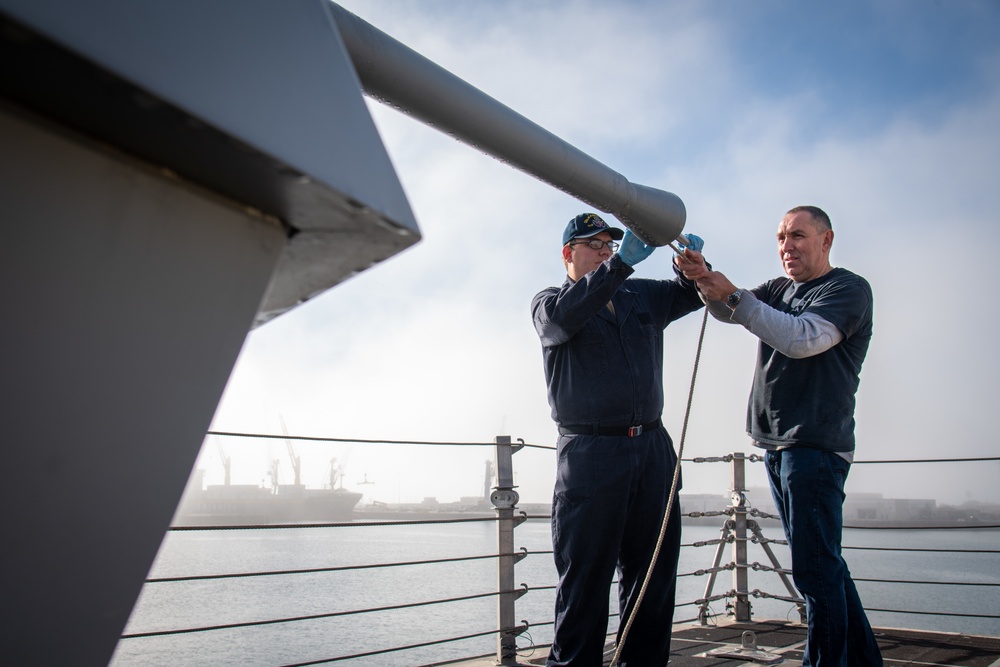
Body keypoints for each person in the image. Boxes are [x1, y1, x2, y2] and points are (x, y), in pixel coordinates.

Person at [677, 205, 883, 666]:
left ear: (826, 240)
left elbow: (802, 338)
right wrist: (702, 276)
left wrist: (732, 295)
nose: (787, 246)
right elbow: (726, 310)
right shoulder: (776, 289)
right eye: (781, 237)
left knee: (815, 570)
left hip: (815, 446)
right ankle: (864, 661)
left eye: (798, 236)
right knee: (824, 564)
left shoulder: (847, 289)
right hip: (778, 445)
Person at [531, 212, 705, 666]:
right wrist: (620, 265)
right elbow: (562, 322)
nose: (607, 251)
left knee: (652, 579)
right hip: (592, 457)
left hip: (651, 451)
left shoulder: (639, 296)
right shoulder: (550, 303)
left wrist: (690, 266)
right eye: (595, 244)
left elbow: (691, 296)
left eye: (611, 244)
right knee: (585, 582)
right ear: (569, 253)